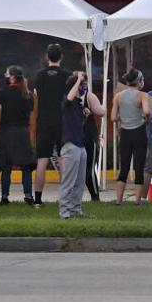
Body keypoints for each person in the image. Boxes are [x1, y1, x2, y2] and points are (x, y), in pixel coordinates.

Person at [57, 68, 104, 219]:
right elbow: (70, 97)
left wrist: (85, 113)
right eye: (81, 85)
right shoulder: (67, 100)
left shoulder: (79, 104)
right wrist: (77, 79)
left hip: (80, 145)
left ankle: (76, 209)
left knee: (79, 181)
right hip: (70, 145)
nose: (84, 88)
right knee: (68, 181)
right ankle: (65, 212)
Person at [30, 44, 69, 208]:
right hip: (61, 119)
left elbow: (36, 95)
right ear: (62, 56)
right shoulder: (66, 75)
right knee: (62, 157)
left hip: (44, 120)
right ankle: (66, 197)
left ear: (47, 57)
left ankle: (38, 199)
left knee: (42, 160)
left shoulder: (39, 75)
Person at [0, 66, 32, 205]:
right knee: (26, 166)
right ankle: (28, 195)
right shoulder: (27, 94)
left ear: (11, 77)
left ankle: (5, 196)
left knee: (6, 166)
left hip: (6, 132)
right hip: (23, 132)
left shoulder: (2, 93)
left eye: (7, 73)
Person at [108, 69, 152, 204]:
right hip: (139, 133)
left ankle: (119, 200)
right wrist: (146, 119)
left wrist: (124, 118)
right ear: (139, 81)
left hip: (125, 133)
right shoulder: (142, 95)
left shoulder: (118, 96)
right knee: (139, 166)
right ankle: (137, 201)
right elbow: (146, 111)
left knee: (124, 167)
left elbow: (113, 117)